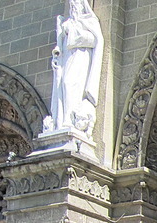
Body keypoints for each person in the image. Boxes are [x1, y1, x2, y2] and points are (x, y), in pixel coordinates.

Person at [48, 0, 104, 133]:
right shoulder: (67, 23)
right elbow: (60, 45)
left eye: (76, 5)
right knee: (65, 84)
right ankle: (65, 118)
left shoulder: (89, 21)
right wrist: (57, 55)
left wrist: (73, 33)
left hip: (81, 58)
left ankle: (73, 117)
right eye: (72, 6)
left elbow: (96, 40)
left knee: (72, 84)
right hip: (68, 58)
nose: (73, 8)